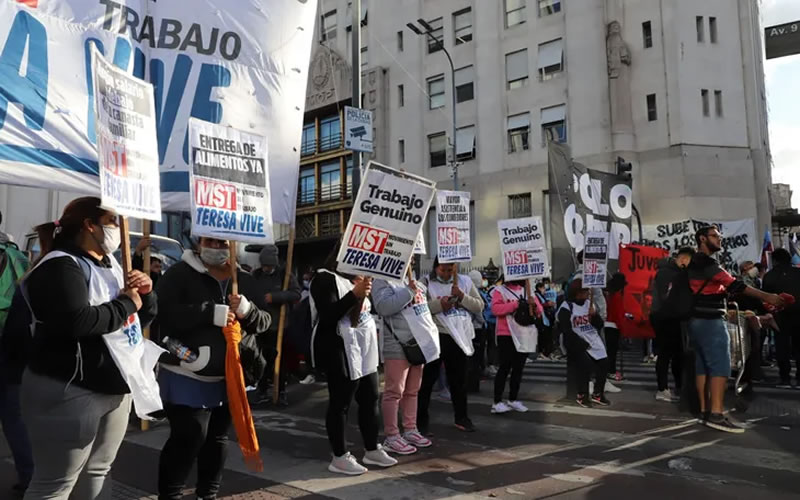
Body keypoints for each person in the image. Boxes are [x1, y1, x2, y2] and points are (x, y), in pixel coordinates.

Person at [20, 197, 160, 499]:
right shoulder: (59, 265)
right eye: (113, 221)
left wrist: (145, 295)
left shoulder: (111, 265)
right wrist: (126, 303)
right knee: (54, 484)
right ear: (89, 225)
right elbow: (77, 321)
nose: (120, 229)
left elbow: (135, 319)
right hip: (70, 388)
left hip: (112, 386)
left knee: (98, 470)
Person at [156, 237, 272, 500]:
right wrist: (208, 312)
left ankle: (207, 494)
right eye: (211, 241)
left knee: (218, 439)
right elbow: (164, 315)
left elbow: (265, 322)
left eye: (223, 243)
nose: (217, 248)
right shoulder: (178, 274)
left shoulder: (243, 278)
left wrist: (248, 310)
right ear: (199, 242)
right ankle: (170, 495)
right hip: (186, 372)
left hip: (230, 374)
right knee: (189, 436)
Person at [688, 226, 784, 432]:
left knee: (703, 366)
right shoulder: (707, 263)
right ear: (702, 239)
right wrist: (767, 297)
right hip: (710, 321)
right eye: (715, 236)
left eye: (720, 236)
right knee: (720, 366)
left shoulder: (695, 262)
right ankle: (716, 414)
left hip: (697, 320)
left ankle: (705, 411)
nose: (720, 239)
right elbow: (734, 285)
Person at [310, 247, 396, 476]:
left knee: (370, 397)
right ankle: (339, 455)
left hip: (364, 346)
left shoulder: (362, 279)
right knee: (341, 402)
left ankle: (371, 447)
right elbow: (328, 316)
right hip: (339, 347)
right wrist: (354, 295)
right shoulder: (324, 278)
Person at [372, 262, 438, 455]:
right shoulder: (381, 280)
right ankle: (392, 435)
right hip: (397, 343)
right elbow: (383, 307)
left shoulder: (413, 279)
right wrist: (408, 291)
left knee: (413, 391)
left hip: (418, 342)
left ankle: (410, 429)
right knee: (394, 391)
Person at [418, 257, 485, 433]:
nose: (447, 274)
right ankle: (420, 421)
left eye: (451, 270)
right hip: (436, 335)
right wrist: (439, 304)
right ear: (436, 268)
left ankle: (462, 417)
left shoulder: (465, 281)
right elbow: (418, 307)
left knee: (459, 380)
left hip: (459, 336)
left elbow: (479, 306)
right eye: (443, 270)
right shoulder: (424, 282)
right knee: (427, 381)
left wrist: (462, 296)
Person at [251, 244, 301, 406]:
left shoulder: (284, 275)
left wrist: (276, 297)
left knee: (280, 360)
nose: (266, 268)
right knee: (262, 360)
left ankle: (281, 391)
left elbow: (296, 293)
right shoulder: (256, 276)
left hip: (279, 326)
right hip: (260, 325)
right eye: (264, 265)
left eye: (269, 265)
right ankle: (262, 389)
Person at [490, 280, 542, 414]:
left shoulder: (527, 291)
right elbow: (495, 309)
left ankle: (513, 399)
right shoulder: (500, 290)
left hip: (523, 333)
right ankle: (497, 401)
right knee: (504, 367)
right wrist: (515, 305)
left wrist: (533, 304)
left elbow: (539, 311)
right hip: (505, 334)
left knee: (518, 368)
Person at [650, 247, 695, 402]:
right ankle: (662, 389)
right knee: (665, 354)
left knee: (678, 355)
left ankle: (679, 386)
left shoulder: (676, 273)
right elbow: (666, 297)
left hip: (676, 318)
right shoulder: (666, 273)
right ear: (683, 259)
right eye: (690, 261)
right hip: (665, 318)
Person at [558, 279, 610, 408]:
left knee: (604, 363)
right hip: (577, 341)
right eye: (585, 291)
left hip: (592, 338)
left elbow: (599, 325)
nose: (588, 293)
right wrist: (580, 343)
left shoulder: (588, 304)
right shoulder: (566, 307)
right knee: (585, 365)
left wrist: (595, 316)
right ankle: (582, 395)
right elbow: (566, 329)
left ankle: (598, 393)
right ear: (578, 293)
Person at [762, 248, 800, 388]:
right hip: (799, 314)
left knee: (782, 346)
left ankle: (785, 378)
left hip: (780, 316)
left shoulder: (769, 276)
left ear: (775, 260)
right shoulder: (798, 273)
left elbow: (766, 299)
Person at [604, 273, 626, 381]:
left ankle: (610, 370)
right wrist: (622, 327)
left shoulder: (611, 295)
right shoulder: (617, 296)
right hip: (614, 325)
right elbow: (618, 314)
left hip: (608, 324)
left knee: (610, 350)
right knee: (612, 351)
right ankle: (611, 371)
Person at [534, 282, 556, 359]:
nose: (544, 290)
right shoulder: (536, 295)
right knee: (543, 337)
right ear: (539, 288)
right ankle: (542, 352)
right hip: (541, 318)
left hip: (546, 319)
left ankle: (547, 352)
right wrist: (547, 304)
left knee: (547, 336)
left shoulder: (542, 295)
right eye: (543, 288)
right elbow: (539, 305)